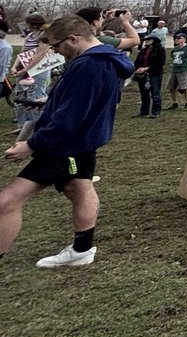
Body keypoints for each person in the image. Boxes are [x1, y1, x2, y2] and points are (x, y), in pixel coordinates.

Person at [0, 14, 134, 268]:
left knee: (6, 202)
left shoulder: (90, 66)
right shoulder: (101, 61)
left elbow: (71, 117)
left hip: (65, 147)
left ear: (73, 39)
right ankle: (82, 251)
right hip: (80, 143)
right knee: (79, 189)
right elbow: (80, 105)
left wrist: (30, 145)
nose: (56, 52)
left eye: (57, 45)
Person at [132, 37, 166, 118]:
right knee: (144, 93)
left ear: (154, 41)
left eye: (149, 40)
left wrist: (147, 68)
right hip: (142, 74)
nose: (146, 41)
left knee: (155, 93)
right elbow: (137, 61)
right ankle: (144, 111)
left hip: (155, 73)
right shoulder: (143, 51)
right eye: (146, 40)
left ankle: (155, 112)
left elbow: (161, 62)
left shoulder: (160, 50)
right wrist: (137, 68)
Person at [166, 32, 187, 110]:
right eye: (176, 38)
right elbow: (173, 58)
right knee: (171, 87)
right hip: (175, 69)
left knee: (185, 87)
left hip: (184, 69)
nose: (176, 39)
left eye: (179, 38)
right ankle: (174, 103)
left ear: (184, 40)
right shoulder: (174, 49)